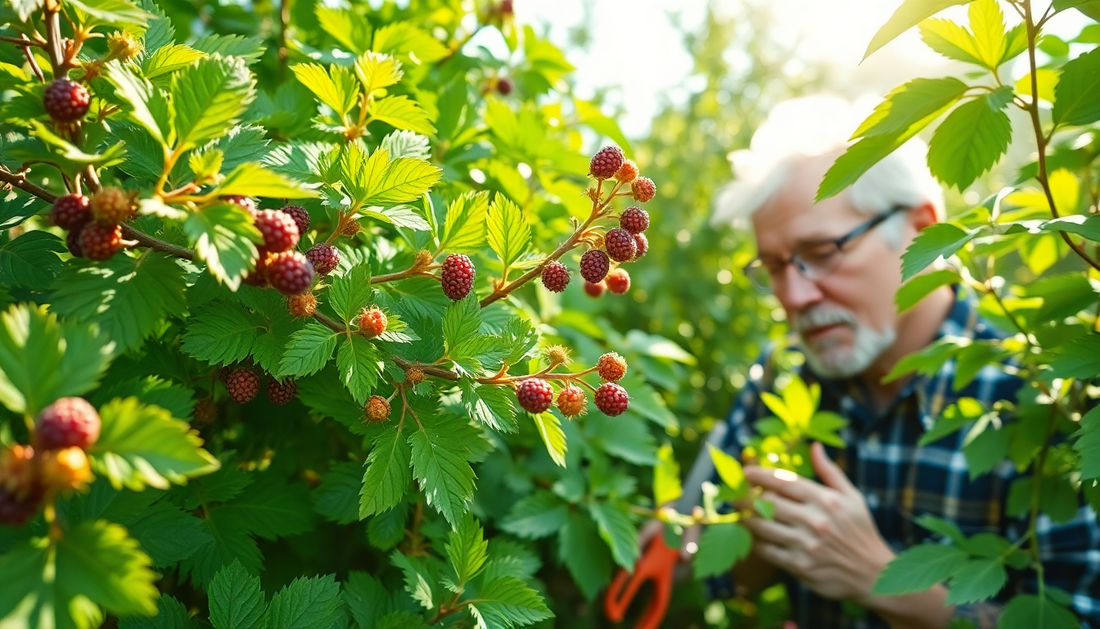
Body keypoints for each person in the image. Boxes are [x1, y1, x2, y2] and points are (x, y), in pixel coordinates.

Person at [666, 96, 1100, 628]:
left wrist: (884, 581)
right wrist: (750, 531)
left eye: (822, 252)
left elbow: (1082, 615)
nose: (794, 295)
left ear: (920, 227)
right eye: (774, 267)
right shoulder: (781, 374)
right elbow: (724, 577)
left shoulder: (1041, 396)